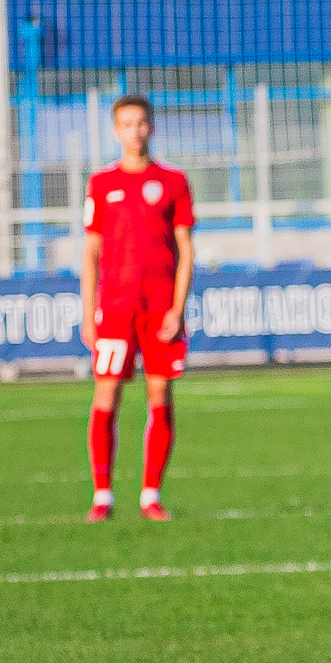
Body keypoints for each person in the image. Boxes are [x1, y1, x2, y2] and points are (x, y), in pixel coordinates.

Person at [81, 94, 195, 523]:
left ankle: (150, 495)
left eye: (141, 122)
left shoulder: (174, 182)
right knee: (107, 393)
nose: (135, 130)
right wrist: (88, 311)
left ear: (152, 126)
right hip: (114, 309)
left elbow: (185, 249)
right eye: (127, 123)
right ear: (116, 130)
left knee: (160, 392)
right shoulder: (101, 184)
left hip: (161, 308)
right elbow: (91, 252)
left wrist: (178, 308)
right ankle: (102, 495)